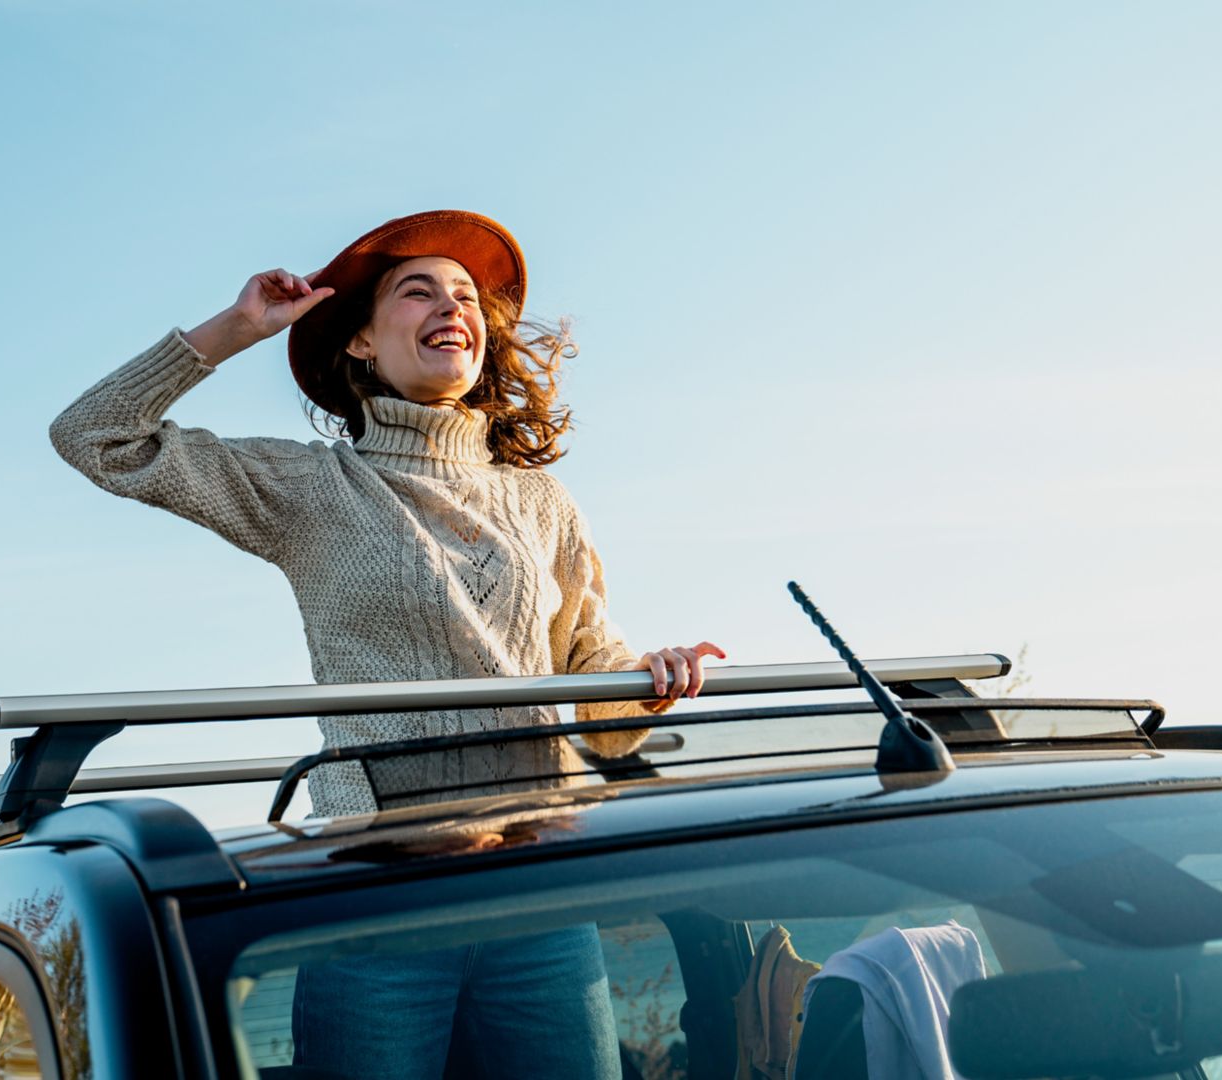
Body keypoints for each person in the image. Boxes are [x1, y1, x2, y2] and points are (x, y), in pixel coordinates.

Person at [50, 210, 723, 1077]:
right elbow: (94, 436)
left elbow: (598, 703)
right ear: (362, 342)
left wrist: (649, 678)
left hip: (541, 901)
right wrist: (237, 329)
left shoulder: (543, 501)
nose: (455, 305)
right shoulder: (309, 484)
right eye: (419, 290)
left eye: (467, 295)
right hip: (378, 909)